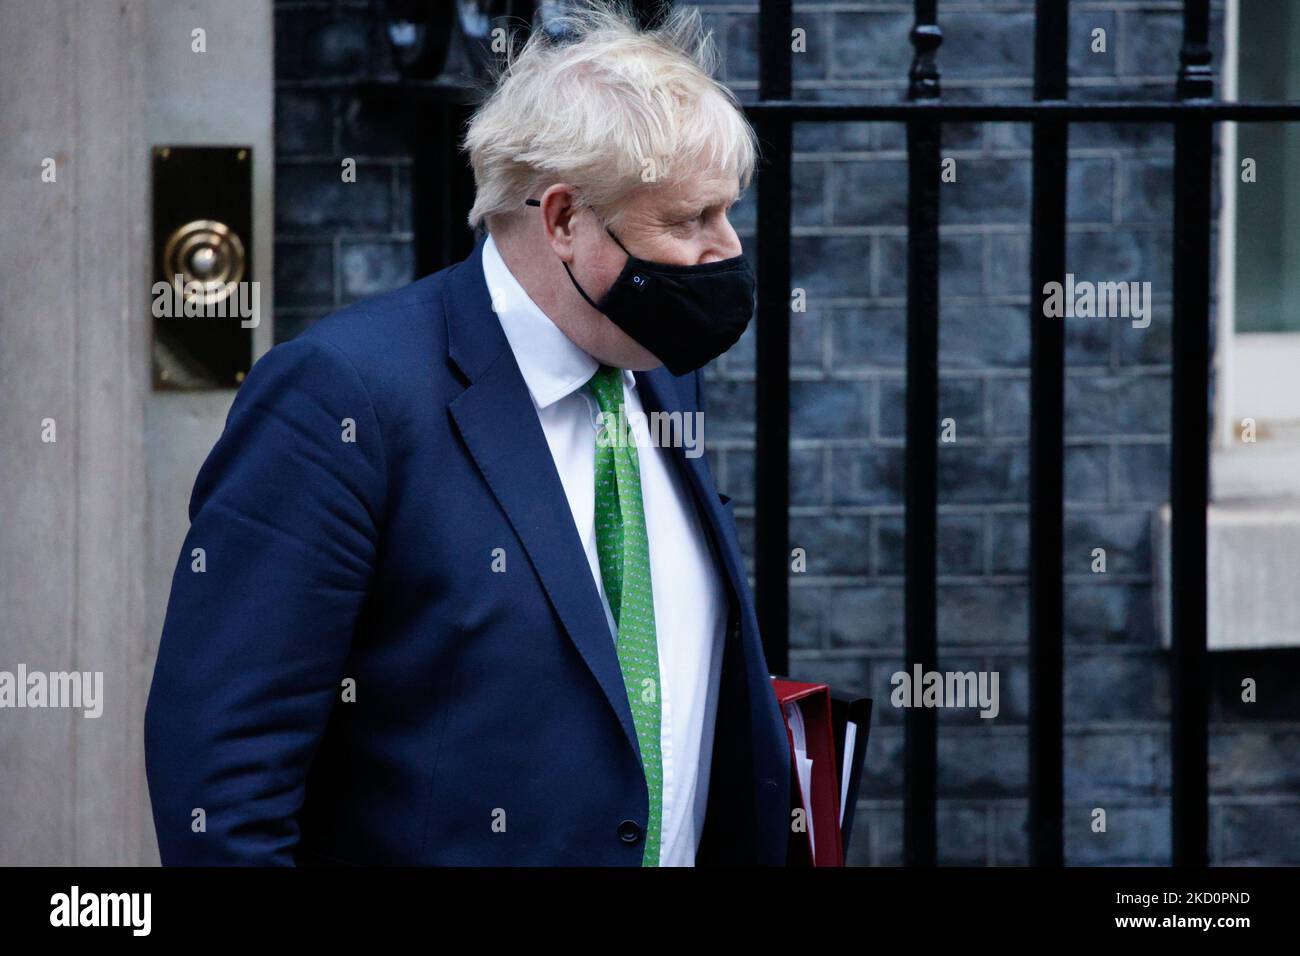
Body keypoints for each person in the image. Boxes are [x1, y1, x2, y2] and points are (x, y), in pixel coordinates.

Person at [144, 0, 791, 866]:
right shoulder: (343, 400)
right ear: (563, 220)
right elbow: (224, 787)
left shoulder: (655, 365)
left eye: (727, 212)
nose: (727, 249)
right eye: (686, 221)